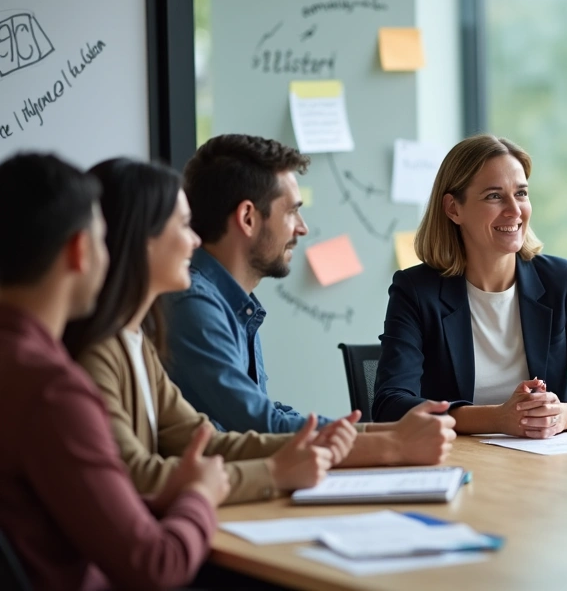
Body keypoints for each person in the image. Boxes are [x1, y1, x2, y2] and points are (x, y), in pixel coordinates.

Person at [64, 158, 357, 505]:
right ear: (144, 239)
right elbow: (136, 476)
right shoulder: (98, 353)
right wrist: (275, 472)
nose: (194, 241)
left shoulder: (136, 343)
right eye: (184, 226)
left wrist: (309, 445)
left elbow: (204, 439)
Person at [0, 152, 228, 589]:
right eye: (104, 239)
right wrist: (199, 494)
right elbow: (155, 565)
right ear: (80, 251)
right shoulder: (51, 390)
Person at [163, 134, 455, 464]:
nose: (302, 228)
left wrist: (389, 432)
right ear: (248, 218)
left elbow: (267, 411)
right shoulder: (192, 305)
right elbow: (259, 423)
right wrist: (392, 442)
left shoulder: (232, 301)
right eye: (292, 212)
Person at [373, 134, 567, 435]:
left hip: (543, 465)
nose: (514, 210)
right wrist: (498, 418)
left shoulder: (562, 281)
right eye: (494, 196)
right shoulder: (416, 290)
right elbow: (390, 407)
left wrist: (564, 415)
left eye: (521, 193)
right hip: (457, 464)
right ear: (453, 209)